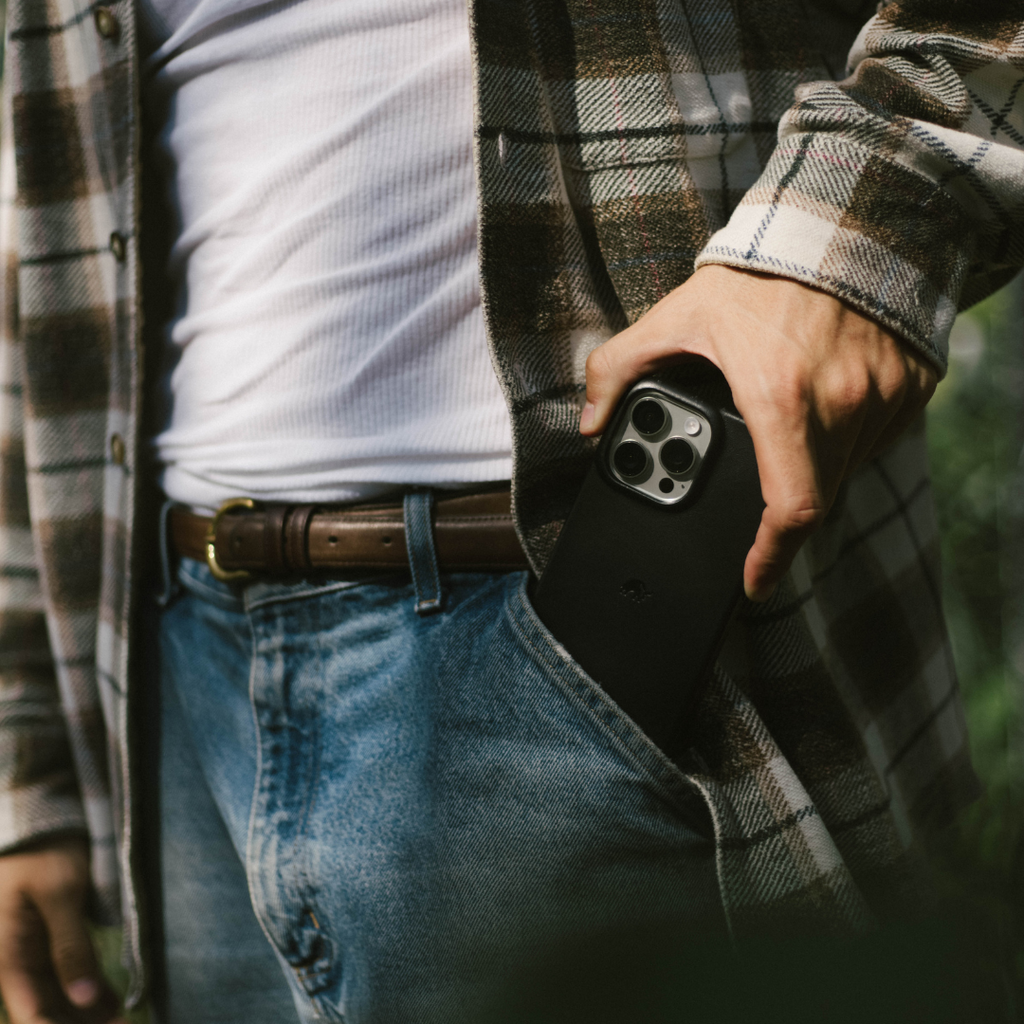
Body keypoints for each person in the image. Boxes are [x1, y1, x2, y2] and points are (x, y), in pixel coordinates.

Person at [0, 0, 1019, 1019]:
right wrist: (25, 754)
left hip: (585, 629)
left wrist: (854, 235)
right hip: (171, 671)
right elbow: (44, 229)